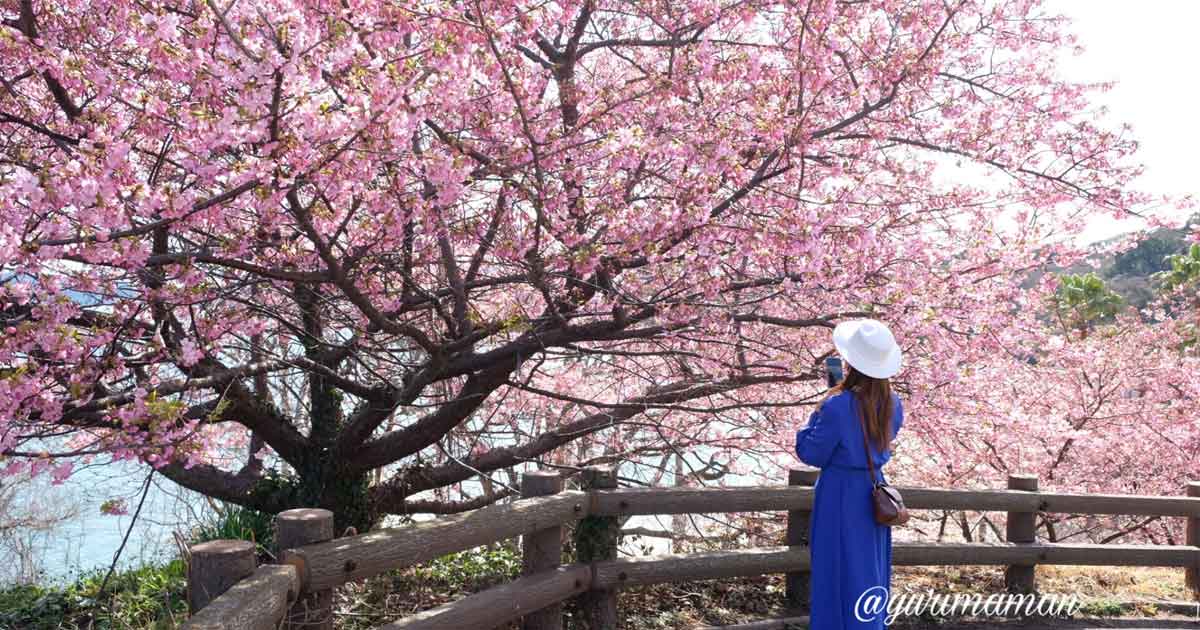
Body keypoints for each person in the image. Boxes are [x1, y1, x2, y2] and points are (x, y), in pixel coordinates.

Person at [795, 319, 905, 629]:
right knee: (867, 567)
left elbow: (810, 452)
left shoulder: (838, 406)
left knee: (835, 567)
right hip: (872, 490)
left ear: (851, 362)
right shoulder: (893, 403)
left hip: (839, 494)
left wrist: (818, 409)